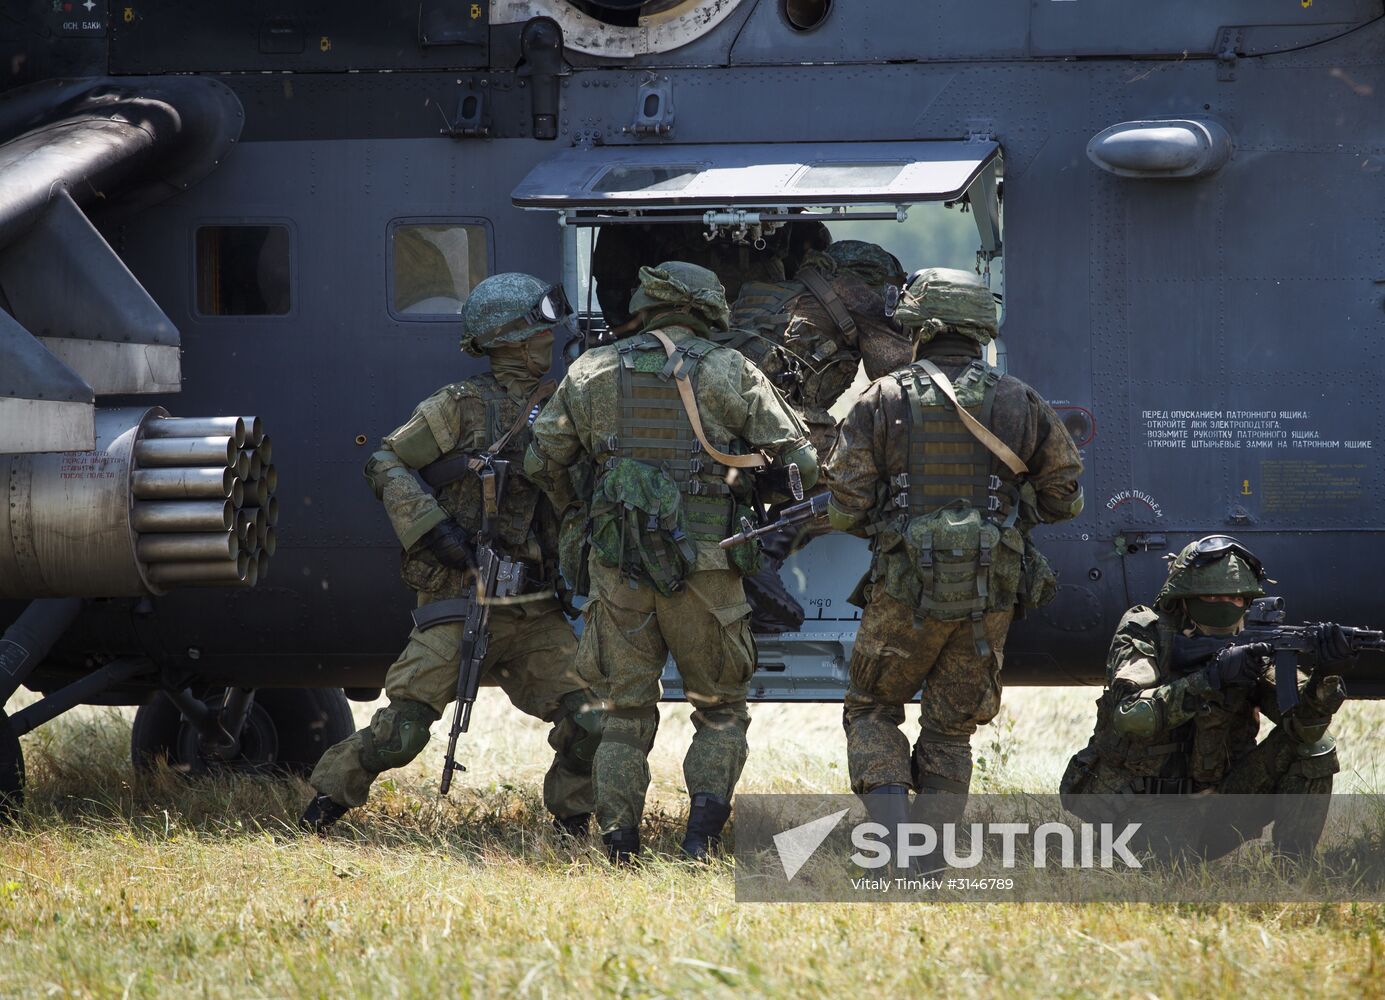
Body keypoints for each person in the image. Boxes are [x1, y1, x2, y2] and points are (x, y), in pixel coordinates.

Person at [524, 261, 816, 863]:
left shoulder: (590, 370)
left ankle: (619, 848)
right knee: (719, 711)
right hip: (708, 569)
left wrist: (592, 505)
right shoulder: (729, 368)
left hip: (619, 568)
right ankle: (699, 841)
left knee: (623, 712)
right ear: (708, 308)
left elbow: (541, 463)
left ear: (645, 303)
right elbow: (804, 465)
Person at [300, 274, 602, 836]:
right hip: (461, 597)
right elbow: (385, 461)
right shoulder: (459, 407)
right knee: (402, 731)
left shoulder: (566, 405)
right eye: (540, 331)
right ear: (512, 339)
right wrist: (434, 530)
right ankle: (320, 811)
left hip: (535, 608)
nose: (550, 340)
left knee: (593, 722)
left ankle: (572, 824)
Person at [822, 267, 1084, 826]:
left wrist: (883, 520)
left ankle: (892, 841)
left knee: (872, 708)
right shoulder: (1020, 400)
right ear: (979, 329)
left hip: (902, 591)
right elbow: (1065, 495)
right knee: (950, 729)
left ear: (920, 324)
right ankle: (932, 852)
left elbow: (845, 504)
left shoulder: (882, 397)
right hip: (988, 594)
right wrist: (1012, 513)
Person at [1060, 535, 1351, 860]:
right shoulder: (1146, 631)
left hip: (1220, 806)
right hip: (1142, 811)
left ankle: (1292, 872)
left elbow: (1304, 728)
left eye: (1236, 599)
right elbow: (1132, 716)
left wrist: (1324, 676)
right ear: (1183, 599)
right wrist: (1209, 678)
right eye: (1210, 596)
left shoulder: (1253, 647)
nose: (1225, 607)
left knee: (1316, 747)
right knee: (1171, 863)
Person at [726, 239, 910, 459]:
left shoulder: (786, 291)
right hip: (784, 432)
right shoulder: (856, 294)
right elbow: (897, 370)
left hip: (735, 422)